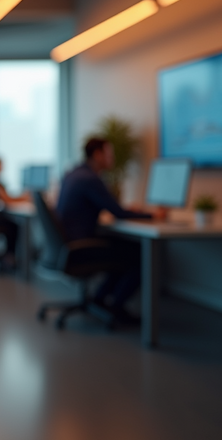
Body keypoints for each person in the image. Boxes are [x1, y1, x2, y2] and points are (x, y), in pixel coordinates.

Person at [55, 137, 166, 321]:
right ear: (97, 155)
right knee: (139, 254)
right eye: (109, 154)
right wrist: (153, 215)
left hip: (71, 242)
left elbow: (110, 208)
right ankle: (117, 306)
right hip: (81, 246)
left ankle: (100, 298)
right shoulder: (90, 179)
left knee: (123, 249)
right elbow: (118, 213)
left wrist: (130, 210)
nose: (112, 158)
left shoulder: (74, 173)